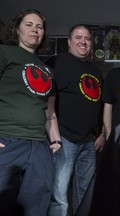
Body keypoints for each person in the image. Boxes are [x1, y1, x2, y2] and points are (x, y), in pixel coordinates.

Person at [0, 9, 61, 216]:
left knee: (36, 205)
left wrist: (56, 141)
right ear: (17, 29)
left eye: (39, 27)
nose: (35, 30)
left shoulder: (46, 69)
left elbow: (49, 109)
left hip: (39, 145)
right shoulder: (5, 53)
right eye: (29, 25)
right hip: (7, 139)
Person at [46, 24, 105, 216]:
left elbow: (98, 106)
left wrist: (101, 133)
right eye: (78, 37)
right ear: (69, 42)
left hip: (89, 142)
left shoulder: (95, 71)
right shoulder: (56, 62)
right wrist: (54, 136)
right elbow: (46, 100)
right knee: (59, 197)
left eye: (87, 39)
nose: (83, 42)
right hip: (64, 139)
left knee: (87, 196)